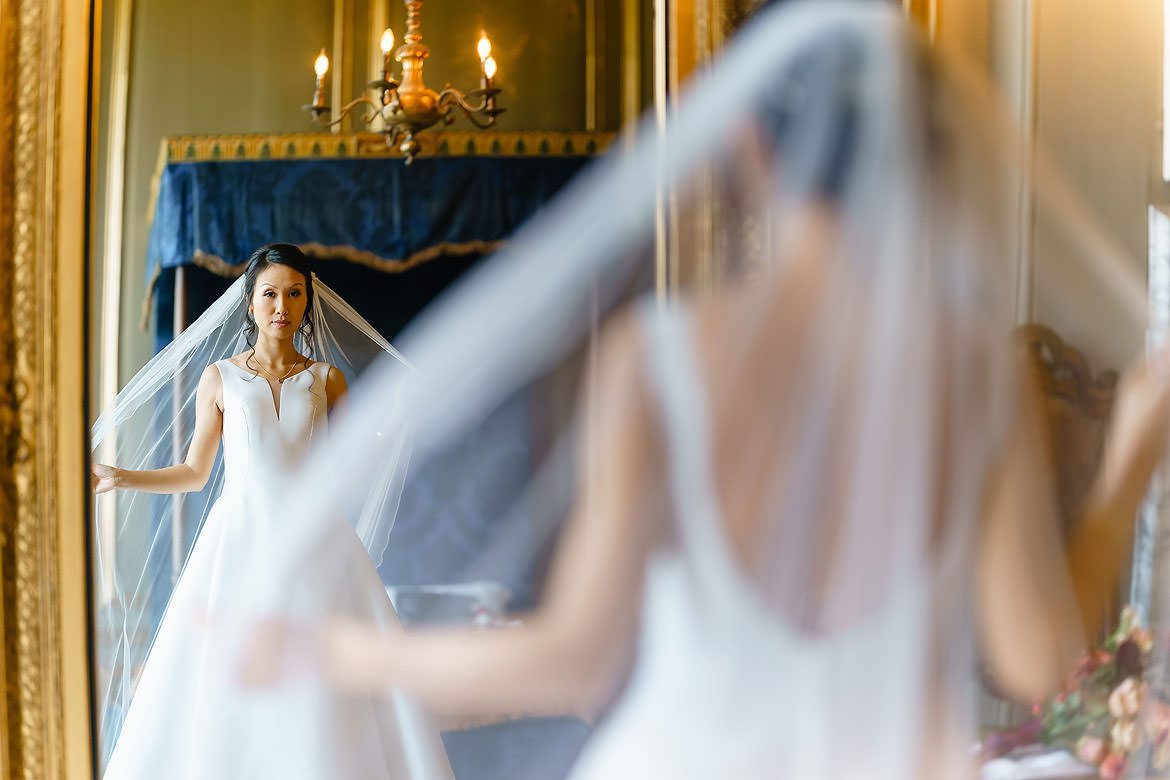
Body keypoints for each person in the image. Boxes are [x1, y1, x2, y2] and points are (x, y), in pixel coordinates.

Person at [240, 2, 1169, 777]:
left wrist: (342, 651)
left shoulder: (658, 359)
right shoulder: (975, 372)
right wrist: (1126, 463)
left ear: (749, 144)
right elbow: (1040, 657)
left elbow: (573, 657)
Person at [92, 244, 453, 779]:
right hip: (239, 542)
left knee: (320, 685)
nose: (281, 306)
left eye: (294, 293)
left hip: (316, 542)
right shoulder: (220, 379)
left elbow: (347, 463)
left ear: (307, 300)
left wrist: (395, 424)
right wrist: (123, 477)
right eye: (270, 294)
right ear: (250, 303)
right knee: (229, 681)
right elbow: (195, 473)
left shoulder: (327, 379)